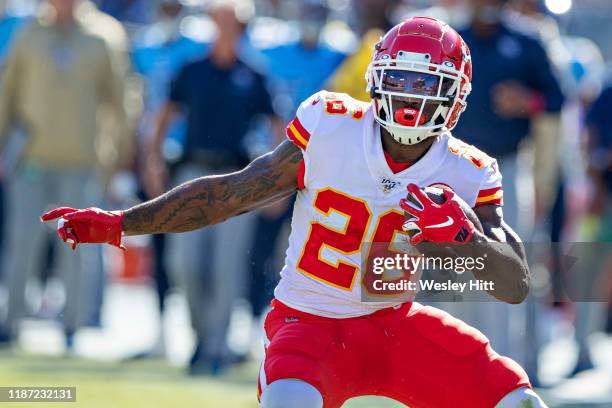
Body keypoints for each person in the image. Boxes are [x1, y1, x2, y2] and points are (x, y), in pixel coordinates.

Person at [42, 17, 548, 408]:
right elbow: (230, 194)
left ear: (455, 95)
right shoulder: (332, 126)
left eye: (424, 83)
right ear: (377, 77)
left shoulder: (469, 171)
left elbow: (514, 284)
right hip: (310, 325)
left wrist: (468, 244)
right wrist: (121, 223)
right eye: (401, 78)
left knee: (517, 401)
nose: (409, 95)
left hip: (395, 326)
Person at [142, 0, 276, 375]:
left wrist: (275, 184)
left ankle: (214, 349)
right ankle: (202, 338)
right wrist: (152, 161)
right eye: (220, 21)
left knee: (226, 268)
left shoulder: (254, 73)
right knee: (183, 263)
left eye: (232, 23)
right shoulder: (192, 70)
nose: (225, 29)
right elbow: (163, 117)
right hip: (191, 174)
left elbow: (279, 128)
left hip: (237, 179)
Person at [0, 0, 129, 346]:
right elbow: (7, 93)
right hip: (31, 159)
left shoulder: (104, 35)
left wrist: (118, 157)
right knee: (20, 242)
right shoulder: (28, 33)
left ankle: (72, 326)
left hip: (82, 162)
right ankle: (9, 323)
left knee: (78, 248)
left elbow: (121, 101)